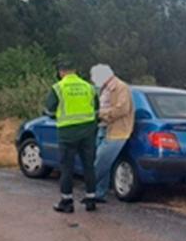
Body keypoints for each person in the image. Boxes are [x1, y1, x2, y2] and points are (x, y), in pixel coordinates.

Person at [45, 62, 99, 213]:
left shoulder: (58, 87)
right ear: (75, 71)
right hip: (88, 131)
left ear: (61, 72)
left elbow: (49, 109)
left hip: (67, 133)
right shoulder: (88, 87)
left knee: (67, 167)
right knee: (89, 166)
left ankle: (67, 201)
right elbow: (96, 109)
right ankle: (91, 199)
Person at [90, 63, 134, 202]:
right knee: (104, 163)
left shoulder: (121, 88)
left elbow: (122, 109)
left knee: (101, 162)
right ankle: (99, 193)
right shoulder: (103, 88)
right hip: (104, 128)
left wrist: (101, 114)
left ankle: (89, 189)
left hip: (117, 131)